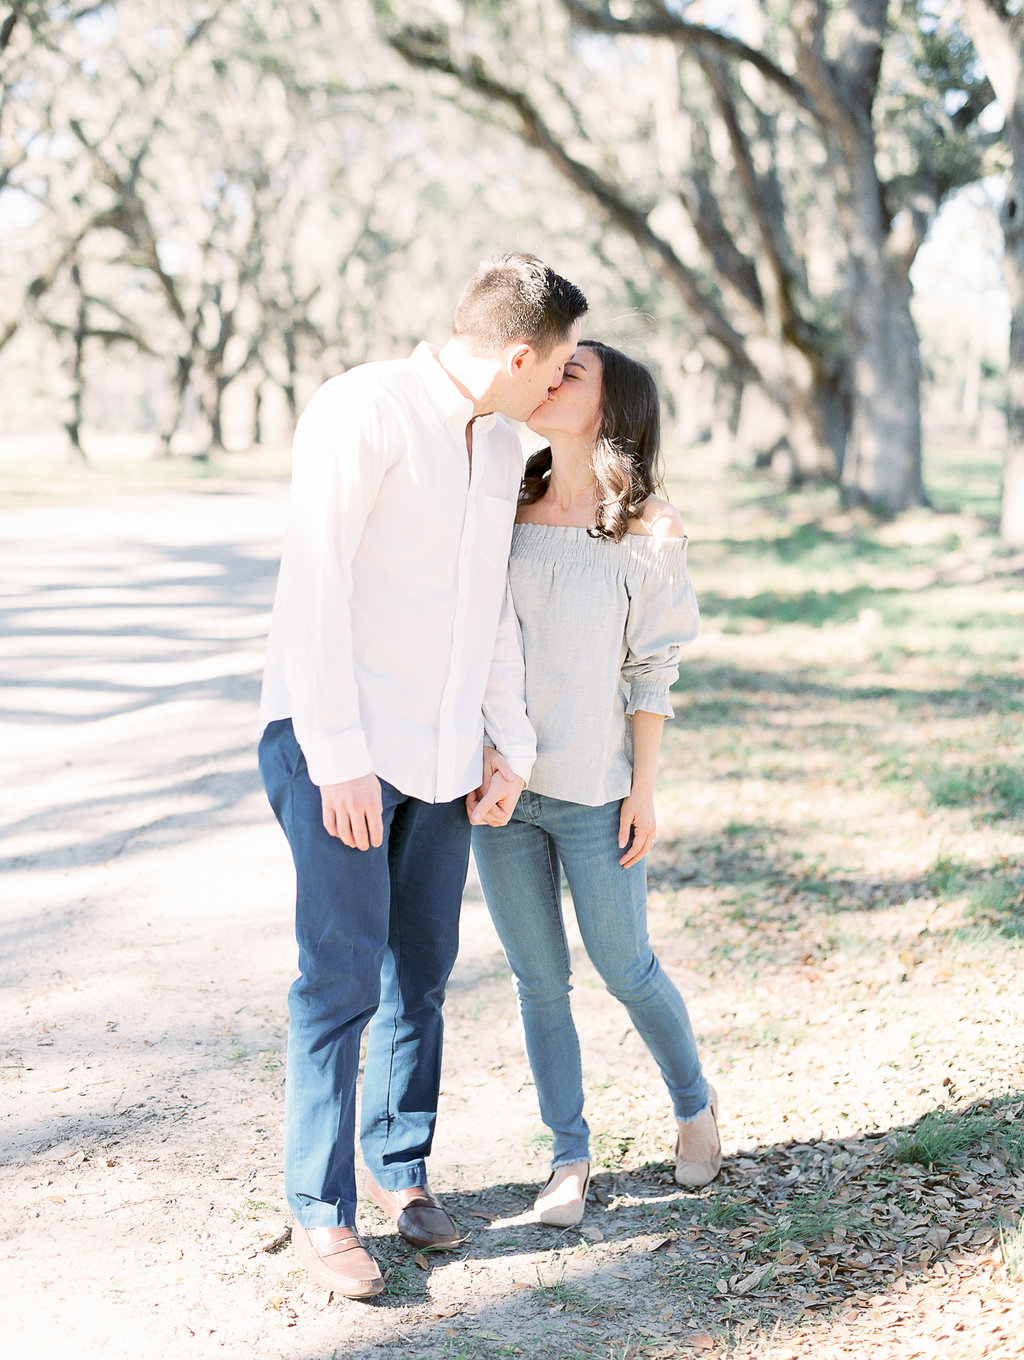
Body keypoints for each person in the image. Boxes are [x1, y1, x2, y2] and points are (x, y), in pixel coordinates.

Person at [257, 254, 588, 1297]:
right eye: (564, 362)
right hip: (338, 745)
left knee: (422, 973)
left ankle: (401, 1173)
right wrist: (339, 758)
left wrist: (507, 744)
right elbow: (315, 585)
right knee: (342, 974)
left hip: (444, 756)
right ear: (522, 353)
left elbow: (486, 606)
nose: (565, 384)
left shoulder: (497, 445)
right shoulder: (364, 408)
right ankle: (321, 1209)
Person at [469, 340, 720, 1229]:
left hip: (596, 792)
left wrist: (644, 791)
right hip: (500, 794)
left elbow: (653, 670)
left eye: (571, 374)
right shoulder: (505, 506)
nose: (548, 378)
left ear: (612, 409)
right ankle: (568, 1157)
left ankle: (694, 1105)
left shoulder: (649, 527)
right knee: (539, 983)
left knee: (625, 965)